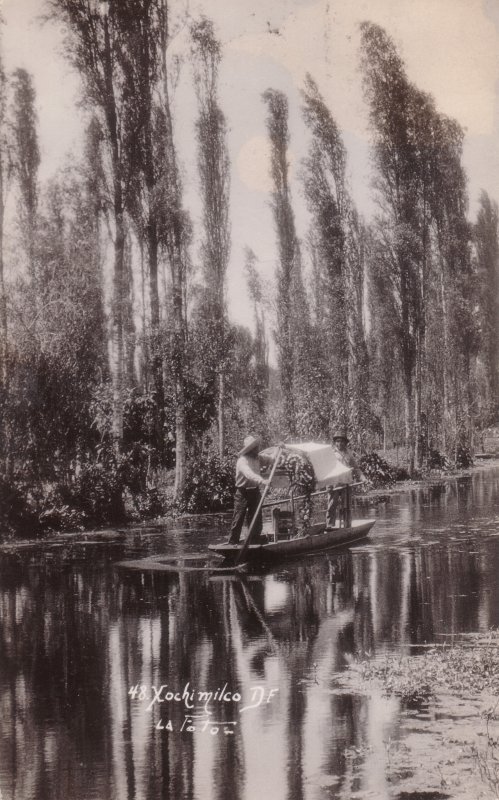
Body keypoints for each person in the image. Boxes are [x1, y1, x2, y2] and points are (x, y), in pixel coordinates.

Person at [228, 435, 269, 545]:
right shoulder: (242, 461)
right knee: (238, 518)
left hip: (254, 491)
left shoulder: (258, 458)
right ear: (250, 449)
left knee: (256, 518)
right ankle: (233, 543)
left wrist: (280, 450)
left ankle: (254, 540)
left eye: (257, 447)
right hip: (242, 492)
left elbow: (271, 458)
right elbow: (249, 474)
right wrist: (262, 480)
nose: (257, 449)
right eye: (255, 448)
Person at [327, 431, 364, 528]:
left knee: (346, 506)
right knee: (332, 506)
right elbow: (327, 470)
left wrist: (363, 478)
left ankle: (347, 526)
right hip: (334, 483)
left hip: (346, 483)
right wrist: (328, 485)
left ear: (345, 442)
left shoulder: (349, 454)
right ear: (335, 443)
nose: (340, 443)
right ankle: (330, 525)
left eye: (342, 441)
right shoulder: (331, 454)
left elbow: (356, 468)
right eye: (338, 441)